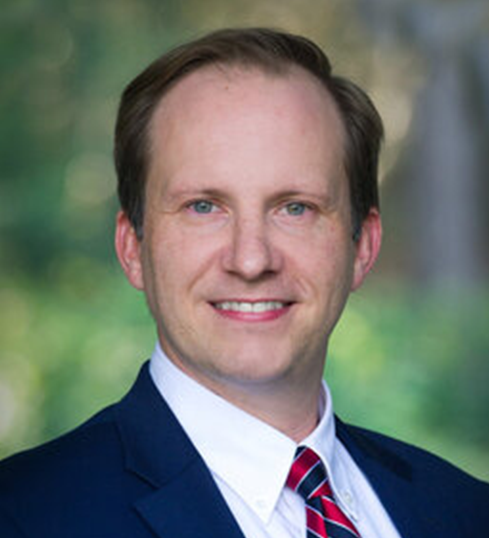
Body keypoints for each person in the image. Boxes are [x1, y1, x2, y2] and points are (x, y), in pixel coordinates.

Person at [0, 27, 487, 538]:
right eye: (203, 207)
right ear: (132, 248)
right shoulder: (24, 516)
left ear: (362, 245)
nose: (251, 259)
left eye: (295, 208)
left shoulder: (467, 511)